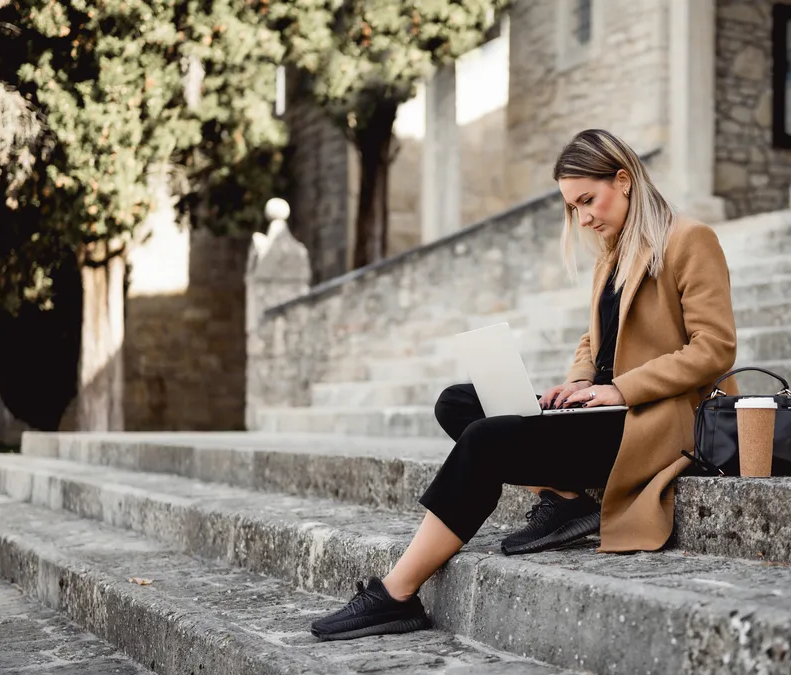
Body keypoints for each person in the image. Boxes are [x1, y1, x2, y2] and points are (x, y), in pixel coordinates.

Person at [310, 128, 738, 641]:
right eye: (572, 207)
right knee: (459, 402)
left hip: (647, 419)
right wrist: (577, 384)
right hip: (600, 411)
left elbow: (714, 347)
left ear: (623, 181)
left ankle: (396, 594)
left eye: (588, 200)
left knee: (486, 440)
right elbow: (595, 340)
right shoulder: (613, 250)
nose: (583, 217)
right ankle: (566, 500)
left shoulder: (690, 240)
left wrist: (620, 390)